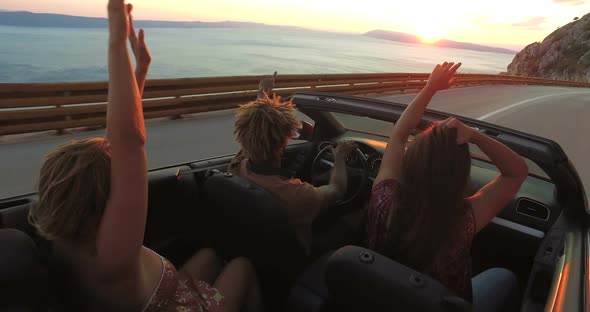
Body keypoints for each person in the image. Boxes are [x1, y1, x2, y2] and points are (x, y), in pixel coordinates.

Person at [28, 1, 262, 311]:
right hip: (179, 307)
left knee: (209, 255)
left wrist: (140, 72)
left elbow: (119, 145)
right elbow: (128, 142)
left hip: (171, 290)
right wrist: (115, 35)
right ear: (105, 199)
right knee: (242, 266)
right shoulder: (111, 255)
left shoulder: (69, 235)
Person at [367, 62, 528, 311]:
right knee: (504, 277)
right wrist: (474, 135)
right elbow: (516, 172)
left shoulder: (383, 198)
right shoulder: (462, 221)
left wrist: (430, 87)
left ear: (410, 161)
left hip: (383, 299)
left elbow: (399, 134)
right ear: (459, 175)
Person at [229, 95, 357, 253]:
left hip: (260, 246)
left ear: (242, 137)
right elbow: (337, 190)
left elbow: (254, 127)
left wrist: (263, 96)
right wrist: (339, 158)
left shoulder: (236, 166)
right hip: (298, 257)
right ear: (284, 142)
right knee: (356, 217)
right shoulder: (296, 195)